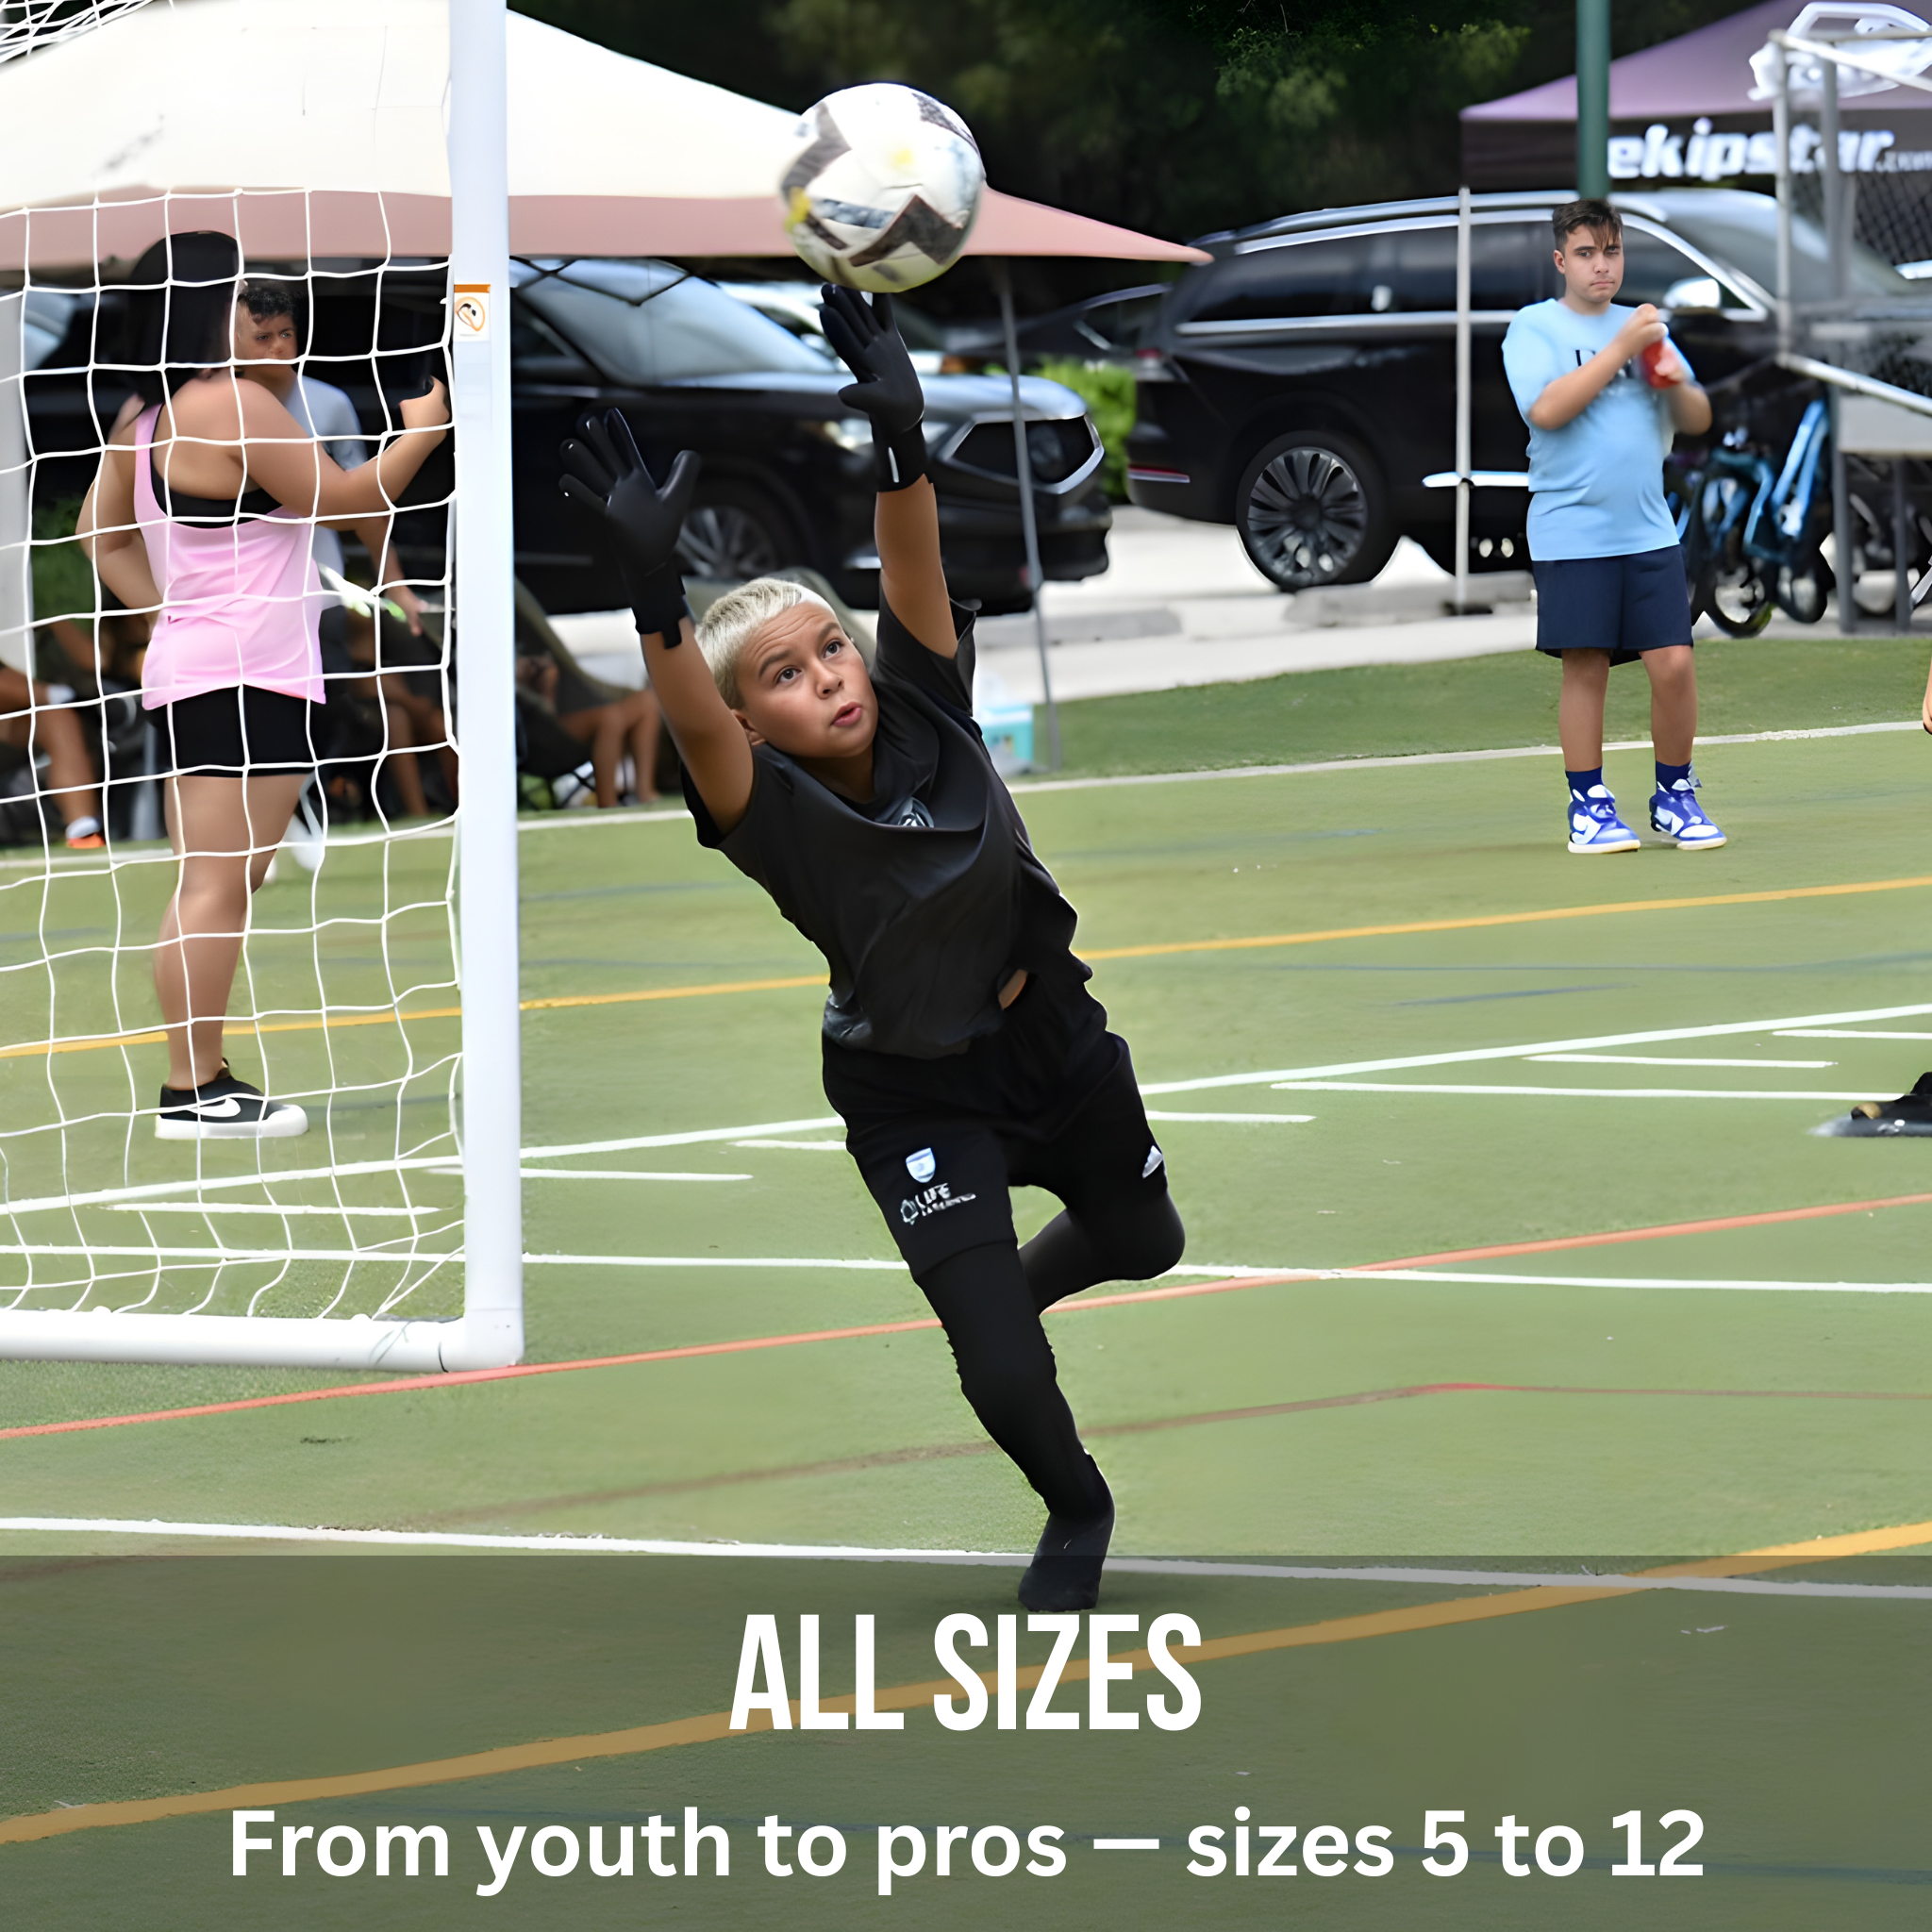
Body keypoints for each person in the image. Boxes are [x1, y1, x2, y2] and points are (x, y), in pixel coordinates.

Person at [559, 287, 1184, 1612]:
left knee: (1146, 1239)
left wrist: (902, 439)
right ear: (751, 722)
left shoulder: (924, 706)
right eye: (783, 675)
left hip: (1050, 1035)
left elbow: (910, 573)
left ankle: (998, 1293)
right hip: (910, 1085)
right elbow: (690, 715)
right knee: (999, 1367)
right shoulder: (762, 810)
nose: (828, 676)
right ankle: (1076, 1503)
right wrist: (652, 592)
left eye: (828, 649)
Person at [80, 231, 449, 1140]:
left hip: (203, 668)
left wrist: (176, 612)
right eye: (244, 295)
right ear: (210, 307)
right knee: (218, 887)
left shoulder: (146, 416)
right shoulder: (232, 403)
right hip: (246, 675)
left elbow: (100, 536)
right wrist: (425, 434)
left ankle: (196, 1083)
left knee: (214, 883)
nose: (262, 312)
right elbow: (347, 500)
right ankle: (194, 1090)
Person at [1503, 198, 1723, 855]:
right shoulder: (1534, 328)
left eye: (1613, 251)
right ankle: (1589, 806)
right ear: (1560, 260)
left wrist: (1674, 382)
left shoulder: (1642, 325)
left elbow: (1697, 419)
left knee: (1675, 663)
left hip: (1649, 530)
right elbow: (1547, 410)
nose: (1602, 266)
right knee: (1587, 663)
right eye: (1587, 253)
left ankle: (1675, 794)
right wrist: (1622, 348)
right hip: (1571, 529)